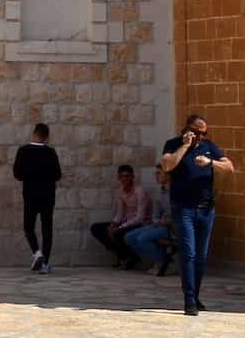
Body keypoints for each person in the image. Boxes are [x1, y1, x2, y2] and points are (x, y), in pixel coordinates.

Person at [161, 113, 235, 316]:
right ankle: (189, 300)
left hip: (205, 209)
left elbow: (230, 167)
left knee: (201, 257)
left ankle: (196, 296)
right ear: (187, 129)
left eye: (204, 133)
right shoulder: (173, 144)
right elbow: (167, 165)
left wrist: (211, 163)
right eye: (197, 133)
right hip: (183, 208)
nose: (201, 137)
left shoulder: (209, 147)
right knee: (189, 253)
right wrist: (184, 146)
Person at [13, 122, 62, 274]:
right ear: (46, 137)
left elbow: (17, 174)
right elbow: (58, 175)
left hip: (30, 195)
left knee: (29, 226)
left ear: (33, 133)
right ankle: (45, 265)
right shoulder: (51, 152)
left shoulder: (23, 151)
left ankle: (37, 252)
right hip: (48, 196)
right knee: (47, 229)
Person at [89, 164, 151, 268]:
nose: (124, 179)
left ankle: (128, 258)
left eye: (127, 176)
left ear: (132, 177)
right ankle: (124, 256)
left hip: (141, 224)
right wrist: (113, 225)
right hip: (127, 222)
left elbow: (140, 218)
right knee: (96, 228)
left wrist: (119, 228)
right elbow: (120, 213)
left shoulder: (140, 191)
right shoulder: (120, 191)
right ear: (118, 178)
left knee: (118, 233)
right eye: (121, 176)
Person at [124, 161, 175, 277]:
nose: (156, 176)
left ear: (168, 175)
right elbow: (155, 216)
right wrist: (158, 221)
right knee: (129, 237)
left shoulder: (177, 193)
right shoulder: (159, 193)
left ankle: (165, 263)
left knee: (142, 238)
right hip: (160, 225)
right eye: (155, 174)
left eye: (159, 173)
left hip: (173, 228)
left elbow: (181, 214)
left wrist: (167, 222)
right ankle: (158, 260)